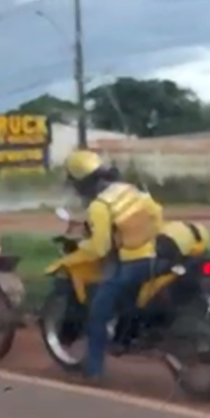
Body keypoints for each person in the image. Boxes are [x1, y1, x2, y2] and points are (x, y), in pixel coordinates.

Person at [63, 150, 164, 382]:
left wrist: (80, 249)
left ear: (81, 183)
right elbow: (156, 214)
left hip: (135, 262)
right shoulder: (130, 190)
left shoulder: (100, 206)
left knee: (97, 314)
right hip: (160, 254)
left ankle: (94, 371)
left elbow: (100, 249)